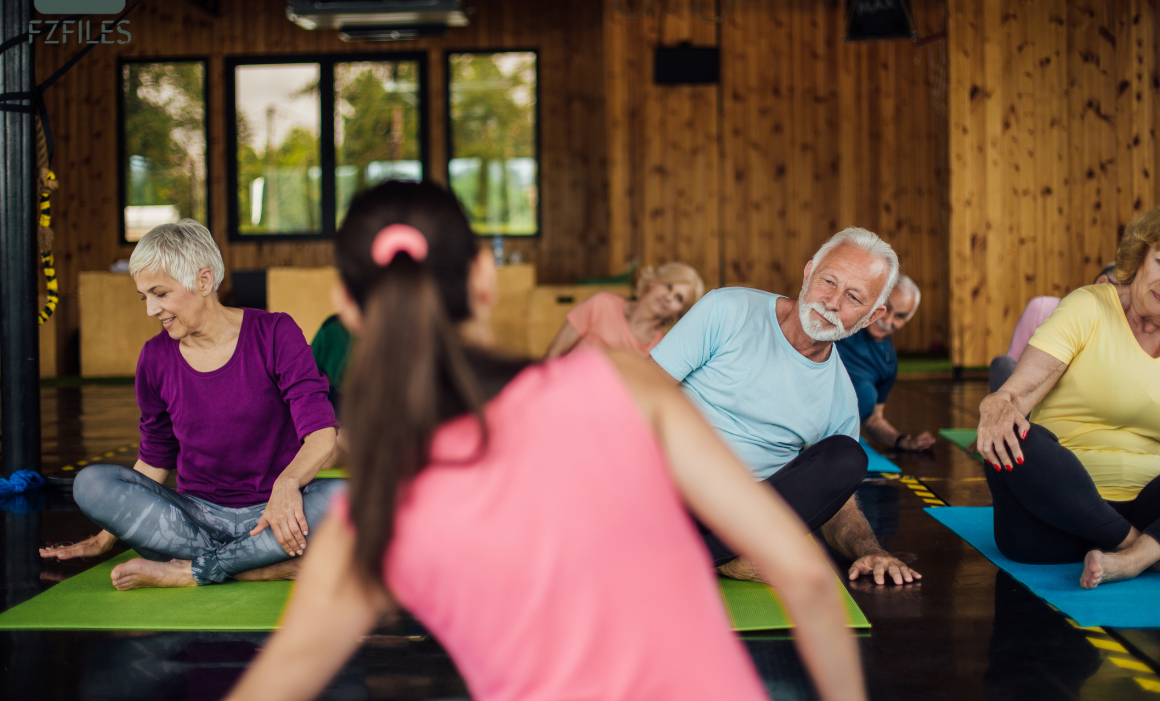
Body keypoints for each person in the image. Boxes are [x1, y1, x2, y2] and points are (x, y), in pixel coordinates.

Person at [223, 182, 867, 701]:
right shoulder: (625, 382)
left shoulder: (374, 523)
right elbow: (809, 584)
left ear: (349, 308)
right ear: (485, 276)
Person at [40, 220, 344, 589]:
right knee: (90, 483)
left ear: (203, 281)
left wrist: (287, 485)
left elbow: (320, 434)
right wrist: (105, 538)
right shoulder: (154, 358)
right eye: (144, 297)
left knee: (349, 498)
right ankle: (261, 564)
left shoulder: (276, 333)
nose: (151, 309)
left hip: (275, 513)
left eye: (160, 294)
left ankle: (193, 569)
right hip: (194, 519)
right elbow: (155, 456)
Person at [650, 228, 922, 587]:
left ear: (872, 317)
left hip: (743, 514)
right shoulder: (727, 309)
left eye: (854, 297)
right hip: (669, 489)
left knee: (848, 457)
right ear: (808, 272)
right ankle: (719, 554)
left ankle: (695, 555)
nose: (832, 302)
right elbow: (641, 393)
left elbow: (834, 503)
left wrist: (870, 549)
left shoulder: (840, 397)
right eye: (829, 281)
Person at [977, 204, 1160, 589]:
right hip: (1051, 522)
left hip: (1149, 511)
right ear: (1140, 256)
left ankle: (1138, 554)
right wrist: (996, 404)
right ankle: (1144, 555)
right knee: (1021, 437)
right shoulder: (1089, 306)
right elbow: (1017, 393)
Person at [839, 274, 936, 451]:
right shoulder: (836, 324)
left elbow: (872, 420)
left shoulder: (888, 362)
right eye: (885, 307)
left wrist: (902, 441)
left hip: (826, 446)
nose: (888, 321)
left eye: (899, 317)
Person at [988, 263, 1117, 393]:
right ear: (1102, 282)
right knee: (1001, 364)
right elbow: (1011, 365)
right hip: (1030, 398)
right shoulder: (1041, 308)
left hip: (1073, 403)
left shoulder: (1116, 331)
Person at [544, 262, 704, 358]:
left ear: (679, 312)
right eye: (668, 286)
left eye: (679, 298)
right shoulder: (601, 304)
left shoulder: (658, 350)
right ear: (654, 281)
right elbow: (553, 354)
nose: (669, 297)